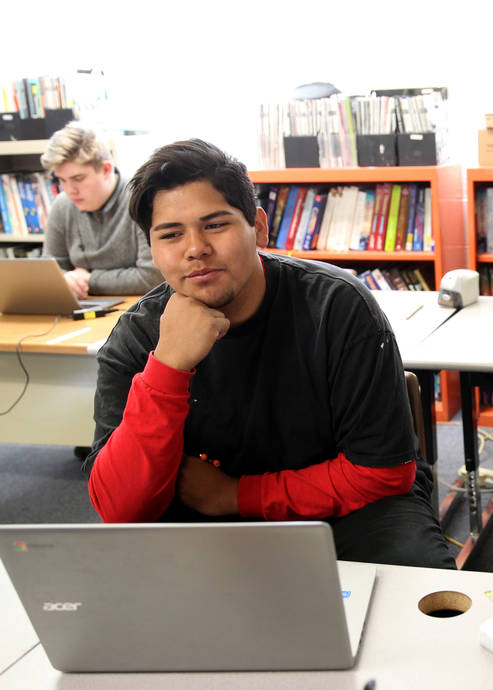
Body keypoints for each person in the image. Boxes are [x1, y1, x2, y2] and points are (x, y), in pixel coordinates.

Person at [83, 138, 454, 569]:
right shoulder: (136, 338)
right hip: (200, 519)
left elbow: (382, 473)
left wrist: (232, 496)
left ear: (258, 227)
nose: (195, 248)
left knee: (413, 602)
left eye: (216, 225)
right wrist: (167, 367)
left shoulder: (336, 306)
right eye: (171, 234)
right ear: (152, 247)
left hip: (348, 510)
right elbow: (119, 510)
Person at [40, 122, 162, 297]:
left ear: (106, 170)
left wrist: (88, 280)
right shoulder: (62, 204)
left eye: (78, 178)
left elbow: (151, 277)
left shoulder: (141, 200)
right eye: (62, 180)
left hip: (136, 307)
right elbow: (49, 270)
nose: (69, 190)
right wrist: (65, 279)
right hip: (84, 306)